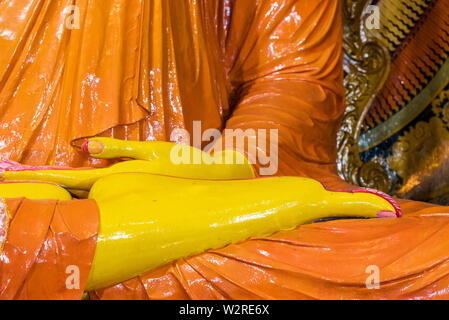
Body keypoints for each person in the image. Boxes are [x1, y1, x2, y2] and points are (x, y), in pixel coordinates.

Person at [0, 0, 449, 300]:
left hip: (208, 197)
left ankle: (72, 254)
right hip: (19, 207)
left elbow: (294, 73)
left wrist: (225, 164)